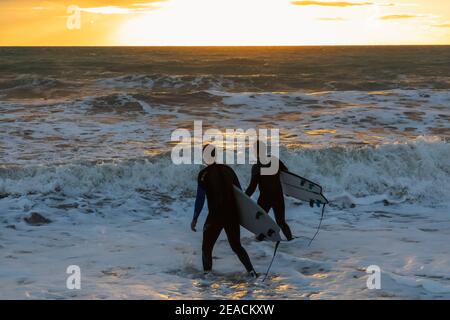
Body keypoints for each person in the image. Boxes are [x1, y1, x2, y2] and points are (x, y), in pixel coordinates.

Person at [191, 144, 257, 277]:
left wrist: (195, 218)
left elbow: (200, 198)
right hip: (232, 214)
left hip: (216, 215)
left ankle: (207, 277)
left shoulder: (204, 174)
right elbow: (241, 195)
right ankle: (252, 272)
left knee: (206, 248)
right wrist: (243, 215)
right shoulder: (228, 170)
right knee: (236, 246)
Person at [245, 141, 294, 241]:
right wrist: (289, 191)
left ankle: (261, 246)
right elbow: (287, 175)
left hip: (265, 198)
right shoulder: (275, 160)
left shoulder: (257, 166)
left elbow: (252, 188)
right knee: (281, 222)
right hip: (278, 196)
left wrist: (243, 198)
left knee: (262, 224)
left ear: (255, 152)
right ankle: (291, 240)